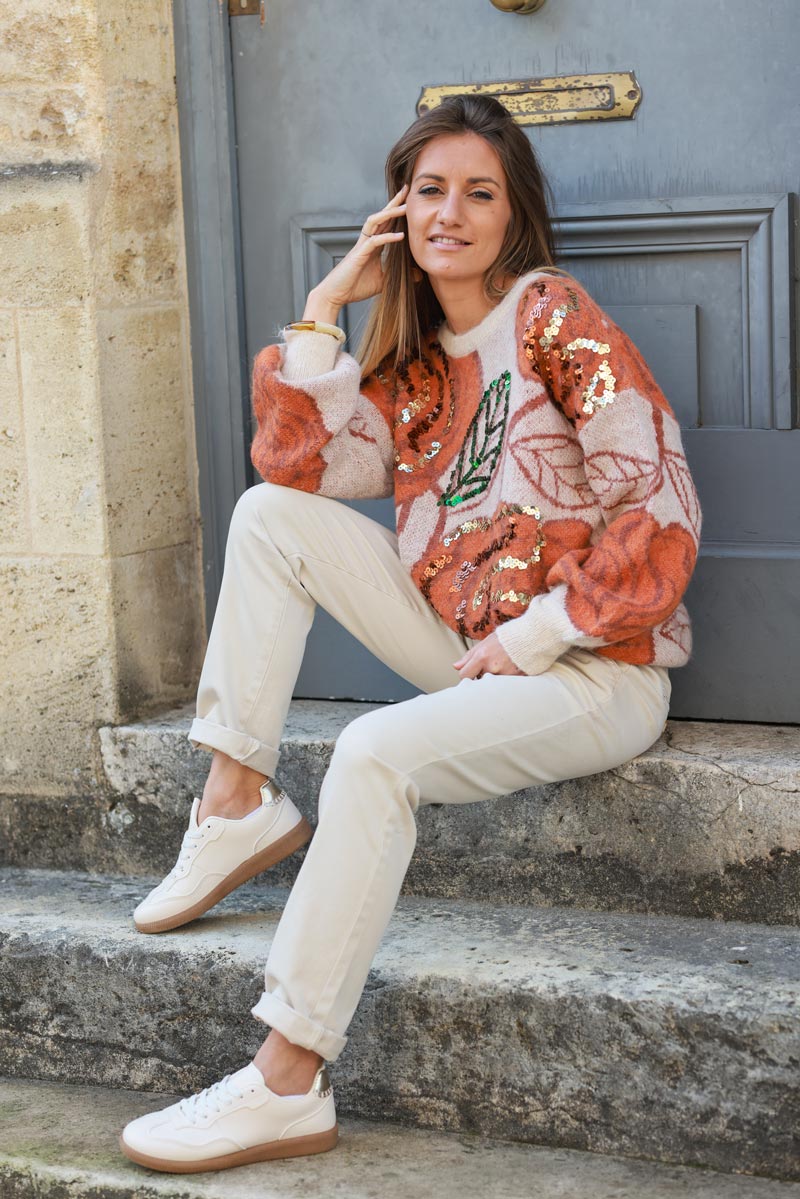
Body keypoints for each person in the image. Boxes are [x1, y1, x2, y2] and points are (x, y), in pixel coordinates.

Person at [119, 94, 701, 1174]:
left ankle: (285, 1078)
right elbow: (301, 470)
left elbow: (658, 509)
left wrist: (535, 635)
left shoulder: (553, 315)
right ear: (396, 210)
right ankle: (234, 801)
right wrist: (320, 308)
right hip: (463, 647)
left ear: (512, 212)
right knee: (268, 517)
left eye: (478, 192)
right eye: (428, 190)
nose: (450, 212)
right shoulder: (414, 364)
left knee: (372, 750)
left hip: (589, 666)